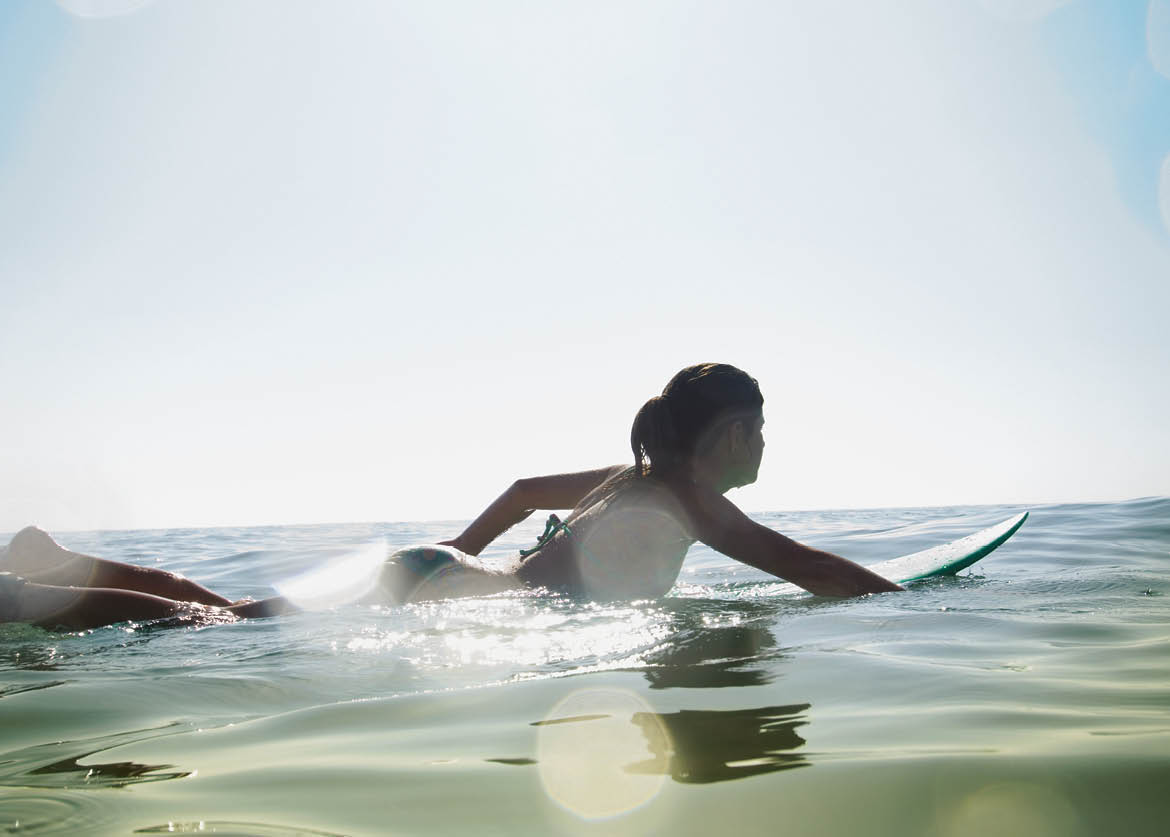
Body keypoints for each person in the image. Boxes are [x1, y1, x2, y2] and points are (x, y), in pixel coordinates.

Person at [0, 363, 900, 631]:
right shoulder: (698, 503)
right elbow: (802, 564)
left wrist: (448, 557)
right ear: (732, 436)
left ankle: (50, 565)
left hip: (448, 572)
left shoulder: (638, 477)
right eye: (760, 427)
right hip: (449, 583)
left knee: (221, 608)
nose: (767, 445)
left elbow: (513, 494)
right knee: (215, 625)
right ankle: (27, 596)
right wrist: (906, 601)